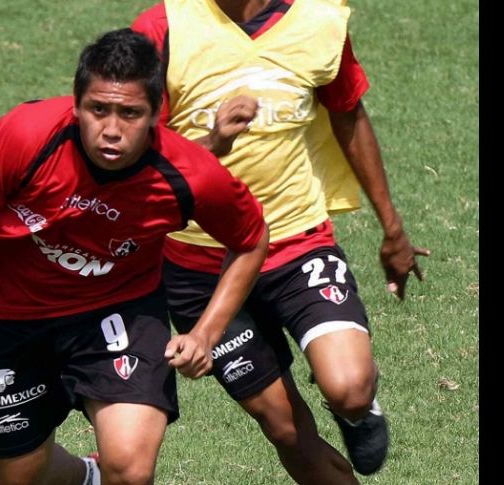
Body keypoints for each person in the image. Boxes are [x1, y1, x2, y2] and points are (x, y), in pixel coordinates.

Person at [0, 28, 269, 485]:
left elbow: (252, 237)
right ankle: (86, 478)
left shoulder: (189, 174)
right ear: (76, 103)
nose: (112, 130)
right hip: (21, 317)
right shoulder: (26, 135)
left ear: (158, 114)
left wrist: (204, 333)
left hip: (121, 311)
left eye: (130, 113)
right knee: (20, 476)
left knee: (130, 468)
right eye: (99, 110)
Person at [132, 0, 431, 480]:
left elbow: (348, 113)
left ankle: (357, 411)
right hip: (198, 265)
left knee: (349, 387)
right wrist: (210, 145)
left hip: (297, 243)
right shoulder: (163, 27)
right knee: (288, 430)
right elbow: (130, 152)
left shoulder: (321, 21)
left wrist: (391, 227)